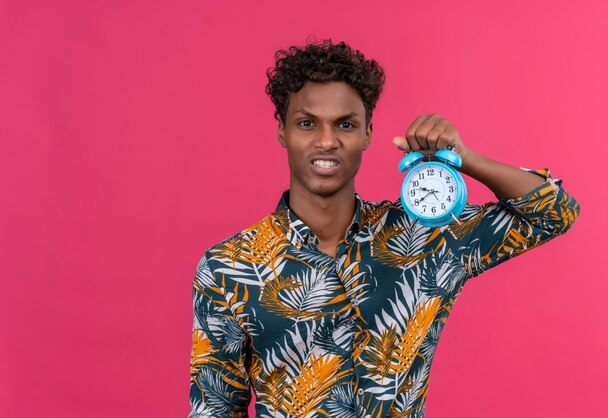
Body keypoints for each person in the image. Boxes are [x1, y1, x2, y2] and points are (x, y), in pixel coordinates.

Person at [187, 39, 580, 418]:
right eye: (307, 123)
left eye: (344, 124)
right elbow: (215, 408)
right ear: (282, 132)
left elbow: (554, 213)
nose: (326, 141)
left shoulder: (427, 237)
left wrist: (463, 158)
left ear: (367, 134)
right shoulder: (227, 268)